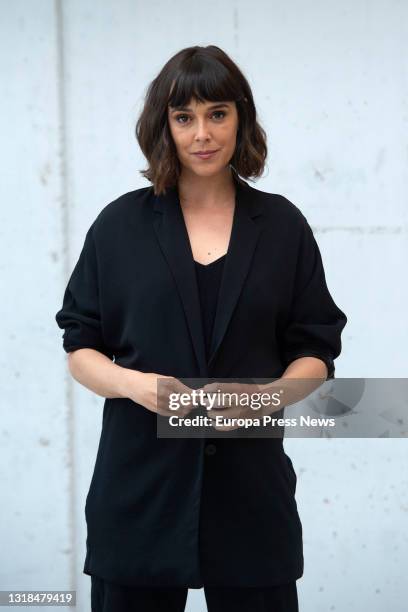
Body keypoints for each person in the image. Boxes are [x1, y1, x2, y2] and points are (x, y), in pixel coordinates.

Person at [55, 45, 347, 612]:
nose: (202, 134)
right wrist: (138, 386)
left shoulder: (282, 227)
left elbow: (316, 348)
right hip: (139, 487)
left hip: (251, 491)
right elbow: (79, 345)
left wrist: (267, 397)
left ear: (241, 117)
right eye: (183, 117)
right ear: (164, 126)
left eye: (217, 113)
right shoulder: (120, 226)